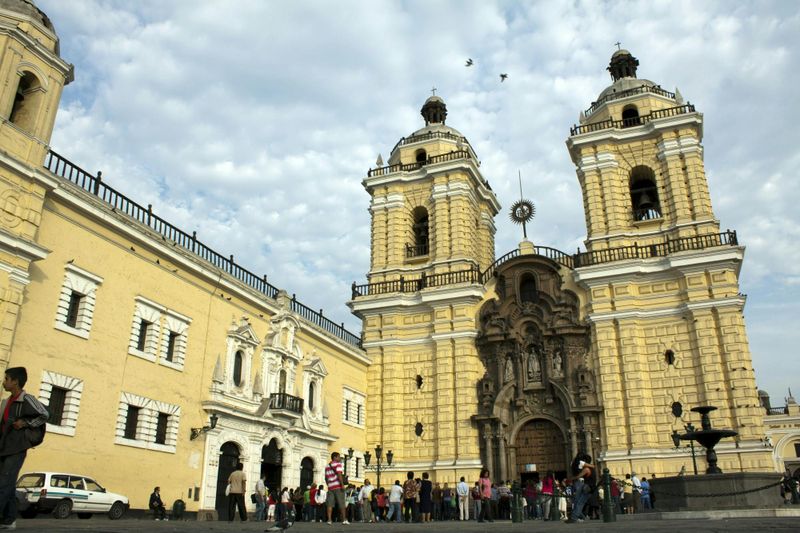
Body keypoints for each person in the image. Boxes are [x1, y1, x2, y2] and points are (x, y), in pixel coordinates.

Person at [0, 367, 48, 531]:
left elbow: (44, 414)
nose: (4, 381)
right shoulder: (6, 402)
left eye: (6, 379)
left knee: (3, 484)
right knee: (8, 484)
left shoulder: (27, 398)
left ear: (15, 381)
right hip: (4, 447)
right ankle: (9, 519)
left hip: (17, 448)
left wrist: (26, 423)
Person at [565, 453, 594, 524]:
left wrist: (570, 479)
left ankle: (577, 517)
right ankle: (578, 517)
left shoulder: (572, 462)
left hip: (576, 482)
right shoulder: (581, 462)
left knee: (577, 501)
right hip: (581, 482)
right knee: (578, 501)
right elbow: (593, 466)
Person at [324, 452, 349, 524]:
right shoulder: (338, 464)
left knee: (330, 504)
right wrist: (342, 485)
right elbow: (339, 475)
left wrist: (328, 484)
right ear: (335, 457)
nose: (340, 458)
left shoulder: (327, 466)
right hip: (338, 486)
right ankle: (344, 520)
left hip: (330, 487)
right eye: (339, 457)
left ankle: (329, 520)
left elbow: (326, 477)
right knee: (341, 503)